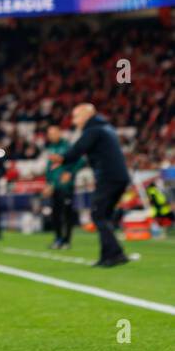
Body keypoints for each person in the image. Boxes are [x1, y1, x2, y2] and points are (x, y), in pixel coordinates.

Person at [49, 103, 131, 267]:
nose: (74, 121)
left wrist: (63, 159)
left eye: (76, 116)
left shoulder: (93, 129)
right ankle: (108, 255)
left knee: (98, 214)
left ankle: (115, 254)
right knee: (103, 215)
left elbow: (79, 148)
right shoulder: (105, 127)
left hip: (109, 177)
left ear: (87, 115)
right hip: (118, 177)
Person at [42, 125, 82, 249]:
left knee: (67, 214)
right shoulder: (51, 148)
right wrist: (48, 183)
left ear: (59, 132)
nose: (51, 136)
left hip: (66, 187)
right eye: (49, 134)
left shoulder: (68, 146)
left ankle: (67, 241)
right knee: (55, 214)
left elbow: (80, 160)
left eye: (53, 133)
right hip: (54, 187)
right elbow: (50, 168)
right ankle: (58, 239)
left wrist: (70, 173)